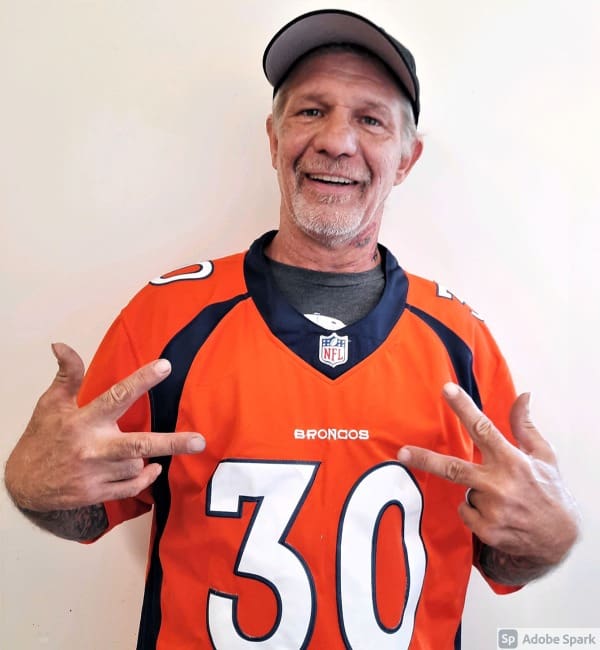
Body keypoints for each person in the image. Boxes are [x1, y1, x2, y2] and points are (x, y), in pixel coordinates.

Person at [4, 9, 579, 649]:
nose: (336, 140)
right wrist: (33, 488)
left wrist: (549, 540)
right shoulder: (169, 320)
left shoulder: (459, 340)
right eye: (311, 111)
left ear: (407, 158)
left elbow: (502, 553)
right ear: (273, 139)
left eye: (370, 119)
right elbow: (83, 513)